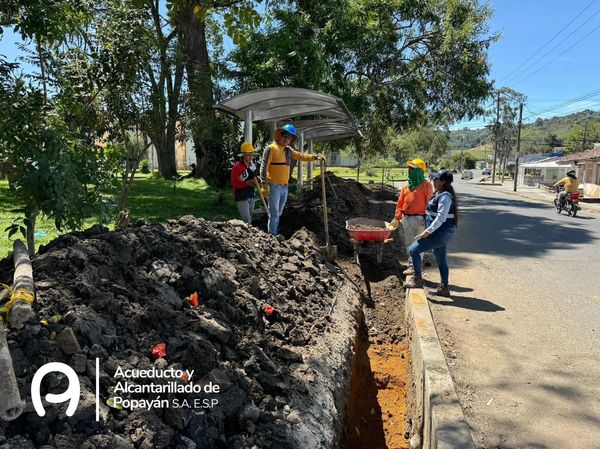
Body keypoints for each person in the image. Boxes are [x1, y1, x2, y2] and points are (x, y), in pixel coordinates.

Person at [260, 123, 324, 235]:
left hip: (284, 187)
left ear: (291, 140)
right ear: (280, 136)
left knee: (279, 212)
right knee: (274, 213)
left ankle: (274, 231)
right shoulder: (271, 148)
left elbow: (301, 156)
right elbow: (264, 166)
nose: (286, 139)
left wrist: (315, 156)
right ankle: (272, 235)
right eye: (285, 136)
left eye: (289, 137)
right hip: (273, 186)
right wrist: (264, 184)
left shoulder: (288, 150)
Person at [404, 169, 457, 297]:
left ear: (443, 182)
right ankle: (444, 288)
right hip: (441, 233)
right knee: (441, 259)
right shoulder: (439, 193)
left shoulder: (444, 196)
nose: (433, 181)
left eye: (436, 179)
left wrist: (427, 232)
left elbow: (441, 218)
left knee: (414, 250)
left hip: (440, 233)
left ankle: (417, 279)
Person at [387, 158, 433, 275]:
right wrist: (397, 218)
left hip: (420, 219)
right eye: (409, 168)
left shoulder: (426, 185)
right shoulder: (406, 186)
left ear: (419, 171)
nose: (409, 170)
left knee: (419, 244)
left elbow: (430, 203)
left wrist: (428, 219)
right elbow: (400, 203)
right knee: (408, 243)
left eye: (412, 169)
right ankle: (411, 265)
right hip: (406, 218)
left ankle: (416, 268)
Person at [231, 142, 259, 224]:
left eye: (252, 154)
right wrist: (247, 183)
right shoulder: (237, 167)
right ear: (243, 155)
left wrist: (258, 180)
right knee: (246, 220)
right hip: (242, 195)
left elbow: (255, 177)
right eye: (248, 155)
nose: (251, 157)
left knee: (250, 217)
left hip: (251, 194)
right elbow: (235, 183)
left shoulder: (252, 166)